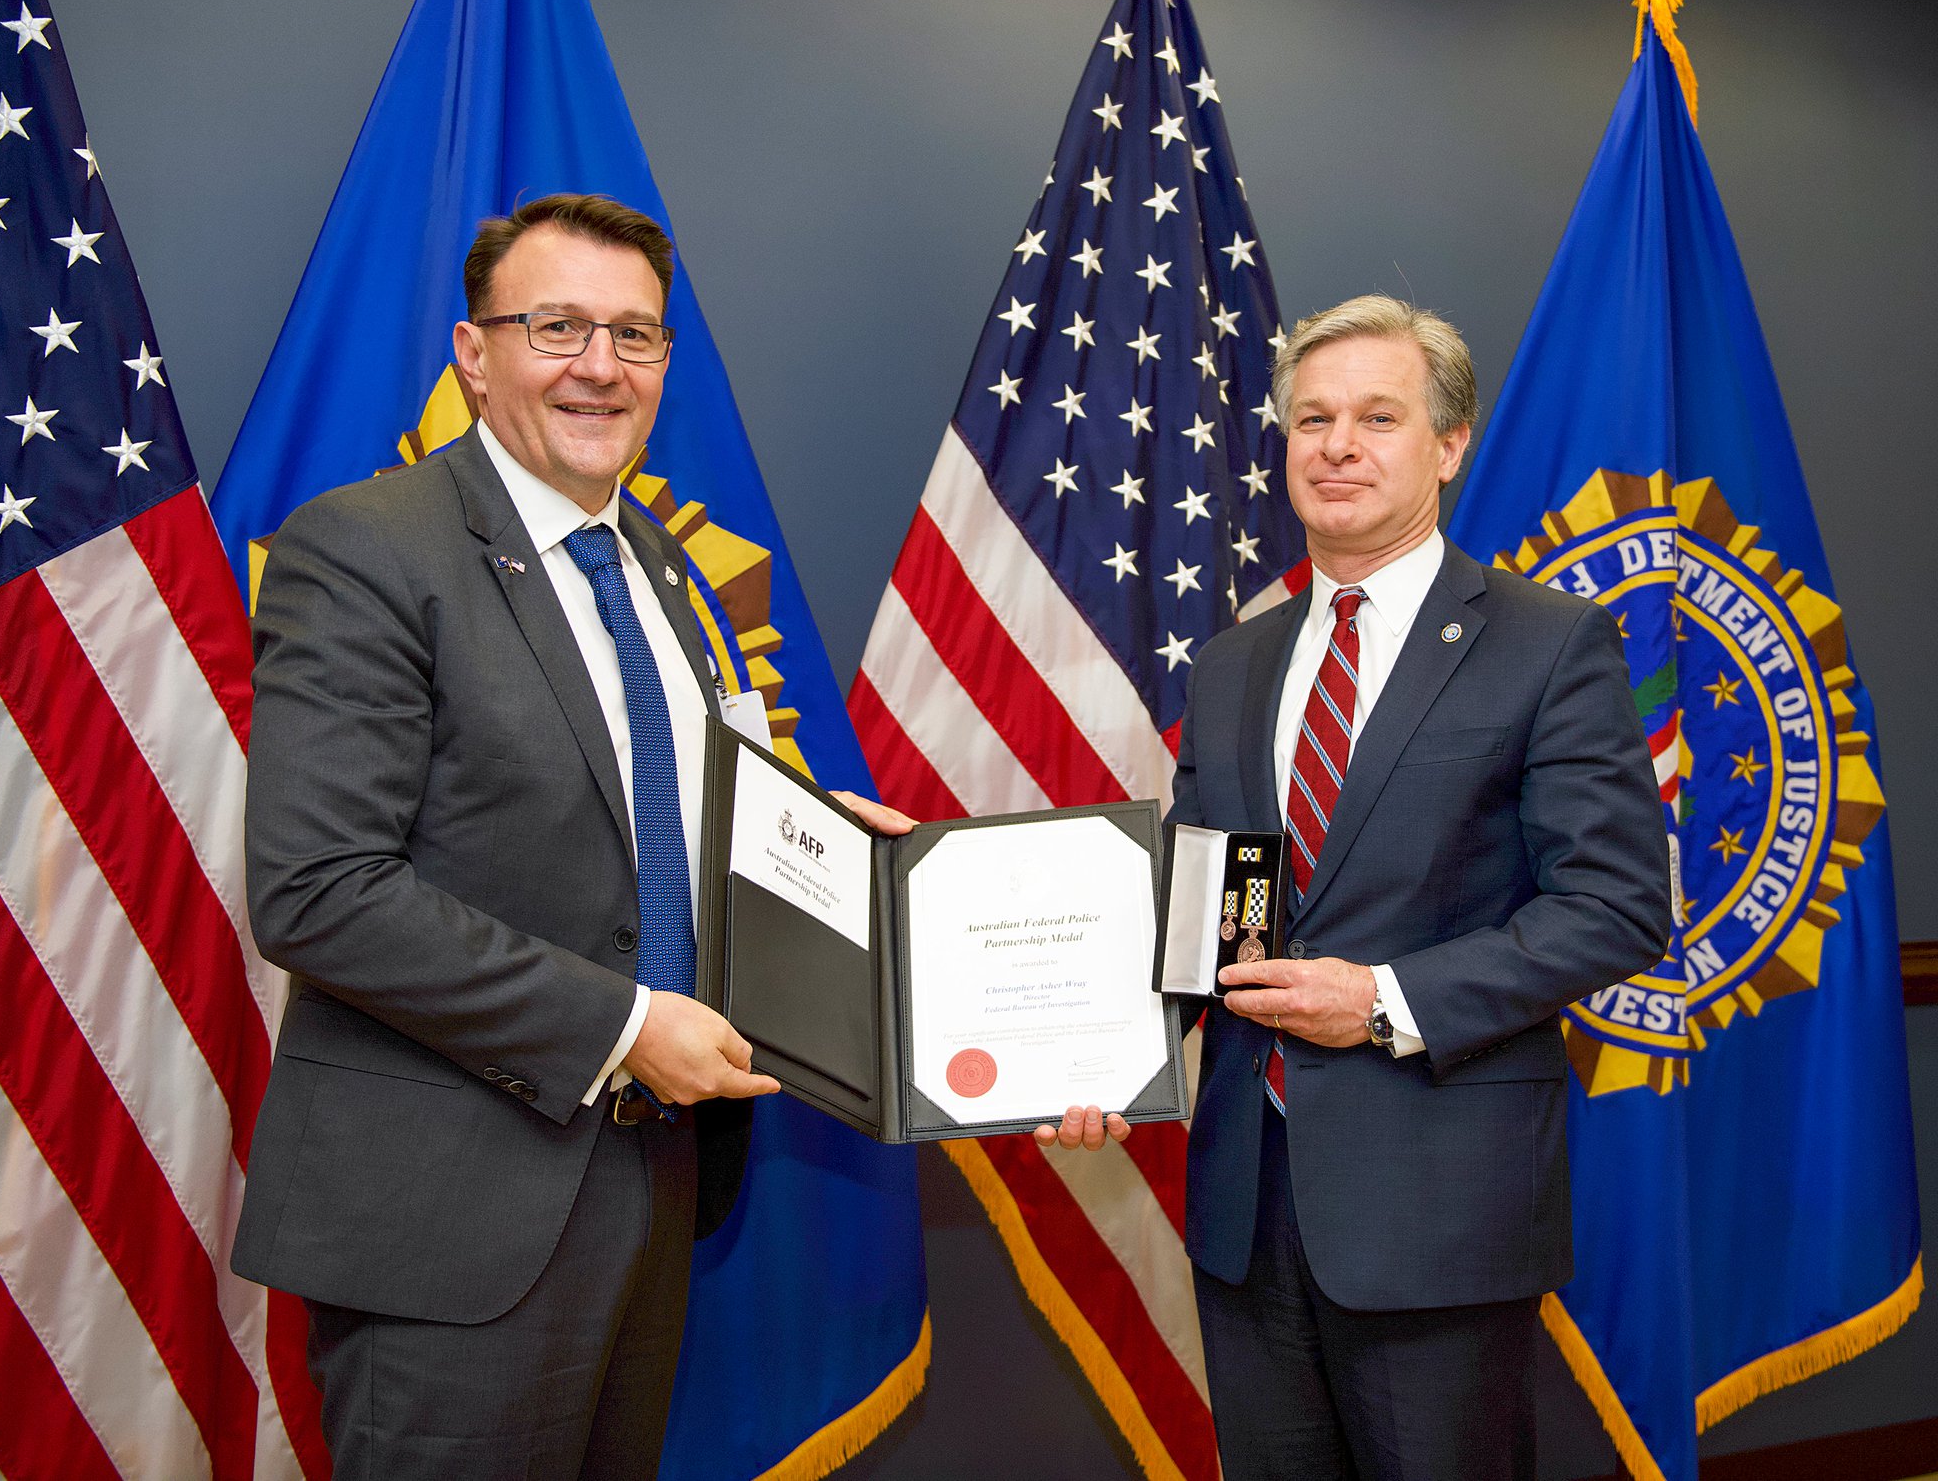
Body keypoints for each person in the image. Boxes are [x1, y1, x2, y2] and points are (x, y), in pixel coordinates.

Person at [230, 193, 909, 1480]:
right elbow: (319, 892)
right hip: (454, 1217)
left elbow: (652, 817)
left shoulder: (653, 561)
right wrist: (621, 1029)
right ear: (473, 355)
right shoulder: (367, 550)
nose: (601, 367)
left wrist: (834, 853)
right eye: (556, 327)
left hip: (647, 1181)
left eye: (635, 336)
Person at [1044, 295, 1668, 1479]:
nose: (1335, 446)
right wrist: (1090, 1054)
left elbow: (1615, 906)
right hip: (1245, 1210)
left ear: (1445, 445)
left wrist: (1380, 1000)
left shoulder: (1547, 644)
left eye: (1376, 417)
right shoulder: (1236, 662)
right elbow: (1205, 905)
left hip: (1437, 1216)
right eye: (1310, 420)